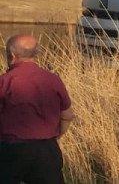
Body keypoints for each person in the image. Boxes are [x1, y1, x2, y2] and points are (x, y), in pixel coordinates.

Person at [0, 34, 76, 184]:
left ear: (13, 55)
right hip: (46, 150)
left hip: (11, 150)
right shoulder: (53, 79)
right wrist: (57, 135)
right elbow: (67, 115)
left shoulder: (4, 82)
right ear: (35, 54)